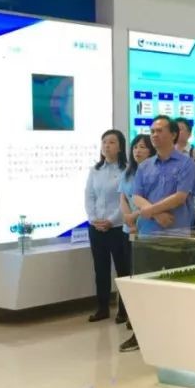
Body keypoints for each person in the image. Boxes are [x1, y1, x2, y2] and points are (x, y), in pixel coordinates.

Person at [127, 116, 195, 353]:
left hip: (176, 236)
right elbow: (136, 195)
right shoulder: (145, 166)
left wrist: (149, 210)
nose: (154, 135)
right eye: (152, 131)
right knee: (146, 288)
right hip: (148, 235)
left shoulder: (186, 163)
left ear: (173, 134)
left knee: (175, 288)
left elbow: (180, 196)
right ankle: (141, 335)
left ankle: (176, 336)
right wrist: (155, 214)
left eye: (159, 131)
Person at [84, 129, 130, 324]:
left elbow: (125, 199)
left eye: (111, 142)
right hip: (96, 228)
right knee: (100, 270)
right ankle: (102, 308)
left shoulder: (127, 170)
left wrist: (111, 220)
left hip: (117, 227)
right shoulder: (95, 170)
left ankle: (124, 311)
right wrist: (93, 218)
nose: (107, 146)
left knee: (123, 270)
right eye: (104, 142)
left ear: (120, 147)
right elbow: (89, 196)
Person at [118, 133, 155, 319]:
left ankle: (143, 315)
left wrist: (135, 217)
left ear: (151, 150)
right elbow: (123, 197)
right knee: (129, 271)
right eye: (135, 147)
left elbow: (153, 202)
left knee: (144, 273)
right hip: (128, 228)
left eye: (142, 147)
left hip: (147, 227)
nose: (137, 151)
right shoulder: (128, 172)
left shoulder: (153, 172)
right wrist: (128, 218)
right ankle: (129, 314)